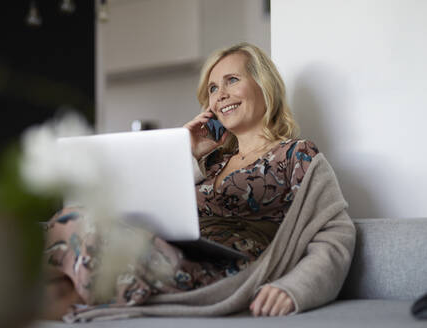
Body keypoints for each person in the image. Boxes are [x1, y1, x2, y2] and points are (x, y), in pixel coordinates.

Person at [40, 42, 354, 321]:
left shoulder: (296, 155)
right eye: (213, 89)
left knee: (74, 225)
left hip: (229, 270)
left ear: (264, 86)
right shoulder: (211, 164)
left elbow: (335, 235)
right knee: (59, 225)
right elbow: (146, 207)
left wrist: (294, 288)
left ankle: (67, 297)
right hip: (169, 251)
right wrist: (186, 151)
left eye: (232, 80)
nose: (221, 95)